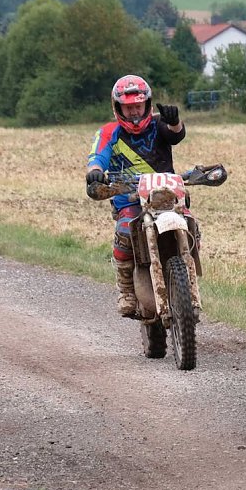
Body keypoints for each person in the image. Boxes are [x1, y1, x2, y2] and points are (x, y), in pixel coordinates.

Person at [86, 74, 185, 317]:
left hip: (167, 195)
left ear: (147, 104)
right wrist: (95, 173)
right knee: (124, 231)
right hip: (129, 199)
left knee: (190, 222)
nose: (134, 112)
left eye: (138, 106)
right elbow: (97, 158)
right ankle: (127, 290)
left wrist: (175, 122)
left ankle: (188, 271)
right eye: (128, 108)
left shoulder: (158, 125)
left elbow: (176, 135)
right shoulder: (109, 132)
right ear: (118, 107)